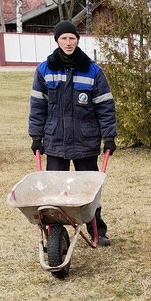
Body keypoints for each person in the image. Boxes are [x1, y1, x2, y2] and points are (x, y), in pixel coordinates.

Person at [29, 20, 117, 245]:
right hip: (55, 140)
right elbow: (38, 106)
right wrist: (36, 137)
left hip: (85, 140)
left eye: (72, 38)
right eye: (64, 38)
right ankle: (54, 231)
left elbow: (105, 106)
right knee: (54, 191)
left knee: (89, 190)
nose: (68, 43)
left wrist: (109, 136)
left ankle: (98, 230)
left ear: (78, 40)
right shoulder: (44, 70)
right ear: (57, 40)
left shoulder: (93, 71)